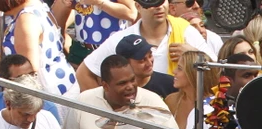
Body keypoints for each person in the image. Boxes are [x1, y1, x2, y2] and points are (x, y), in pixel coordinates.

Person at [76, 0, 212, 90]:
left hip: (178, 113)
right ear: (138, 6)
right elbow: (84, 73)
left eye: (162, 1)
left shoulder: (186, 31)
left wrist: (193, 55)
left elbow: (216, 71)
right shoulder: (121, 39)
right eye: (150, 2)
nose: (158, 7)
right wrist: (106, 108)